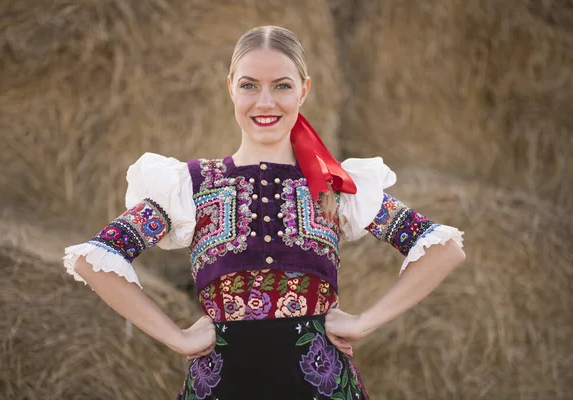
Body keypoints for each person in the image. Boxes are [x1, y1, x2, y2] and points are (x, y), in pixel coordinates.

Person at [63, 25, 466, 400]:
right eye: (250, 85)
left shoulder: (335, 186)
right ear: (231, 89)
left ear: (304, 90)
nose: (265, 101)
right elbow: (95, 258)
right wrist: (176, 337)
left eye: (282, 86)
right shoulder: (192, 186)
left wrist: (365, 322)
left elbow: (443, 250)